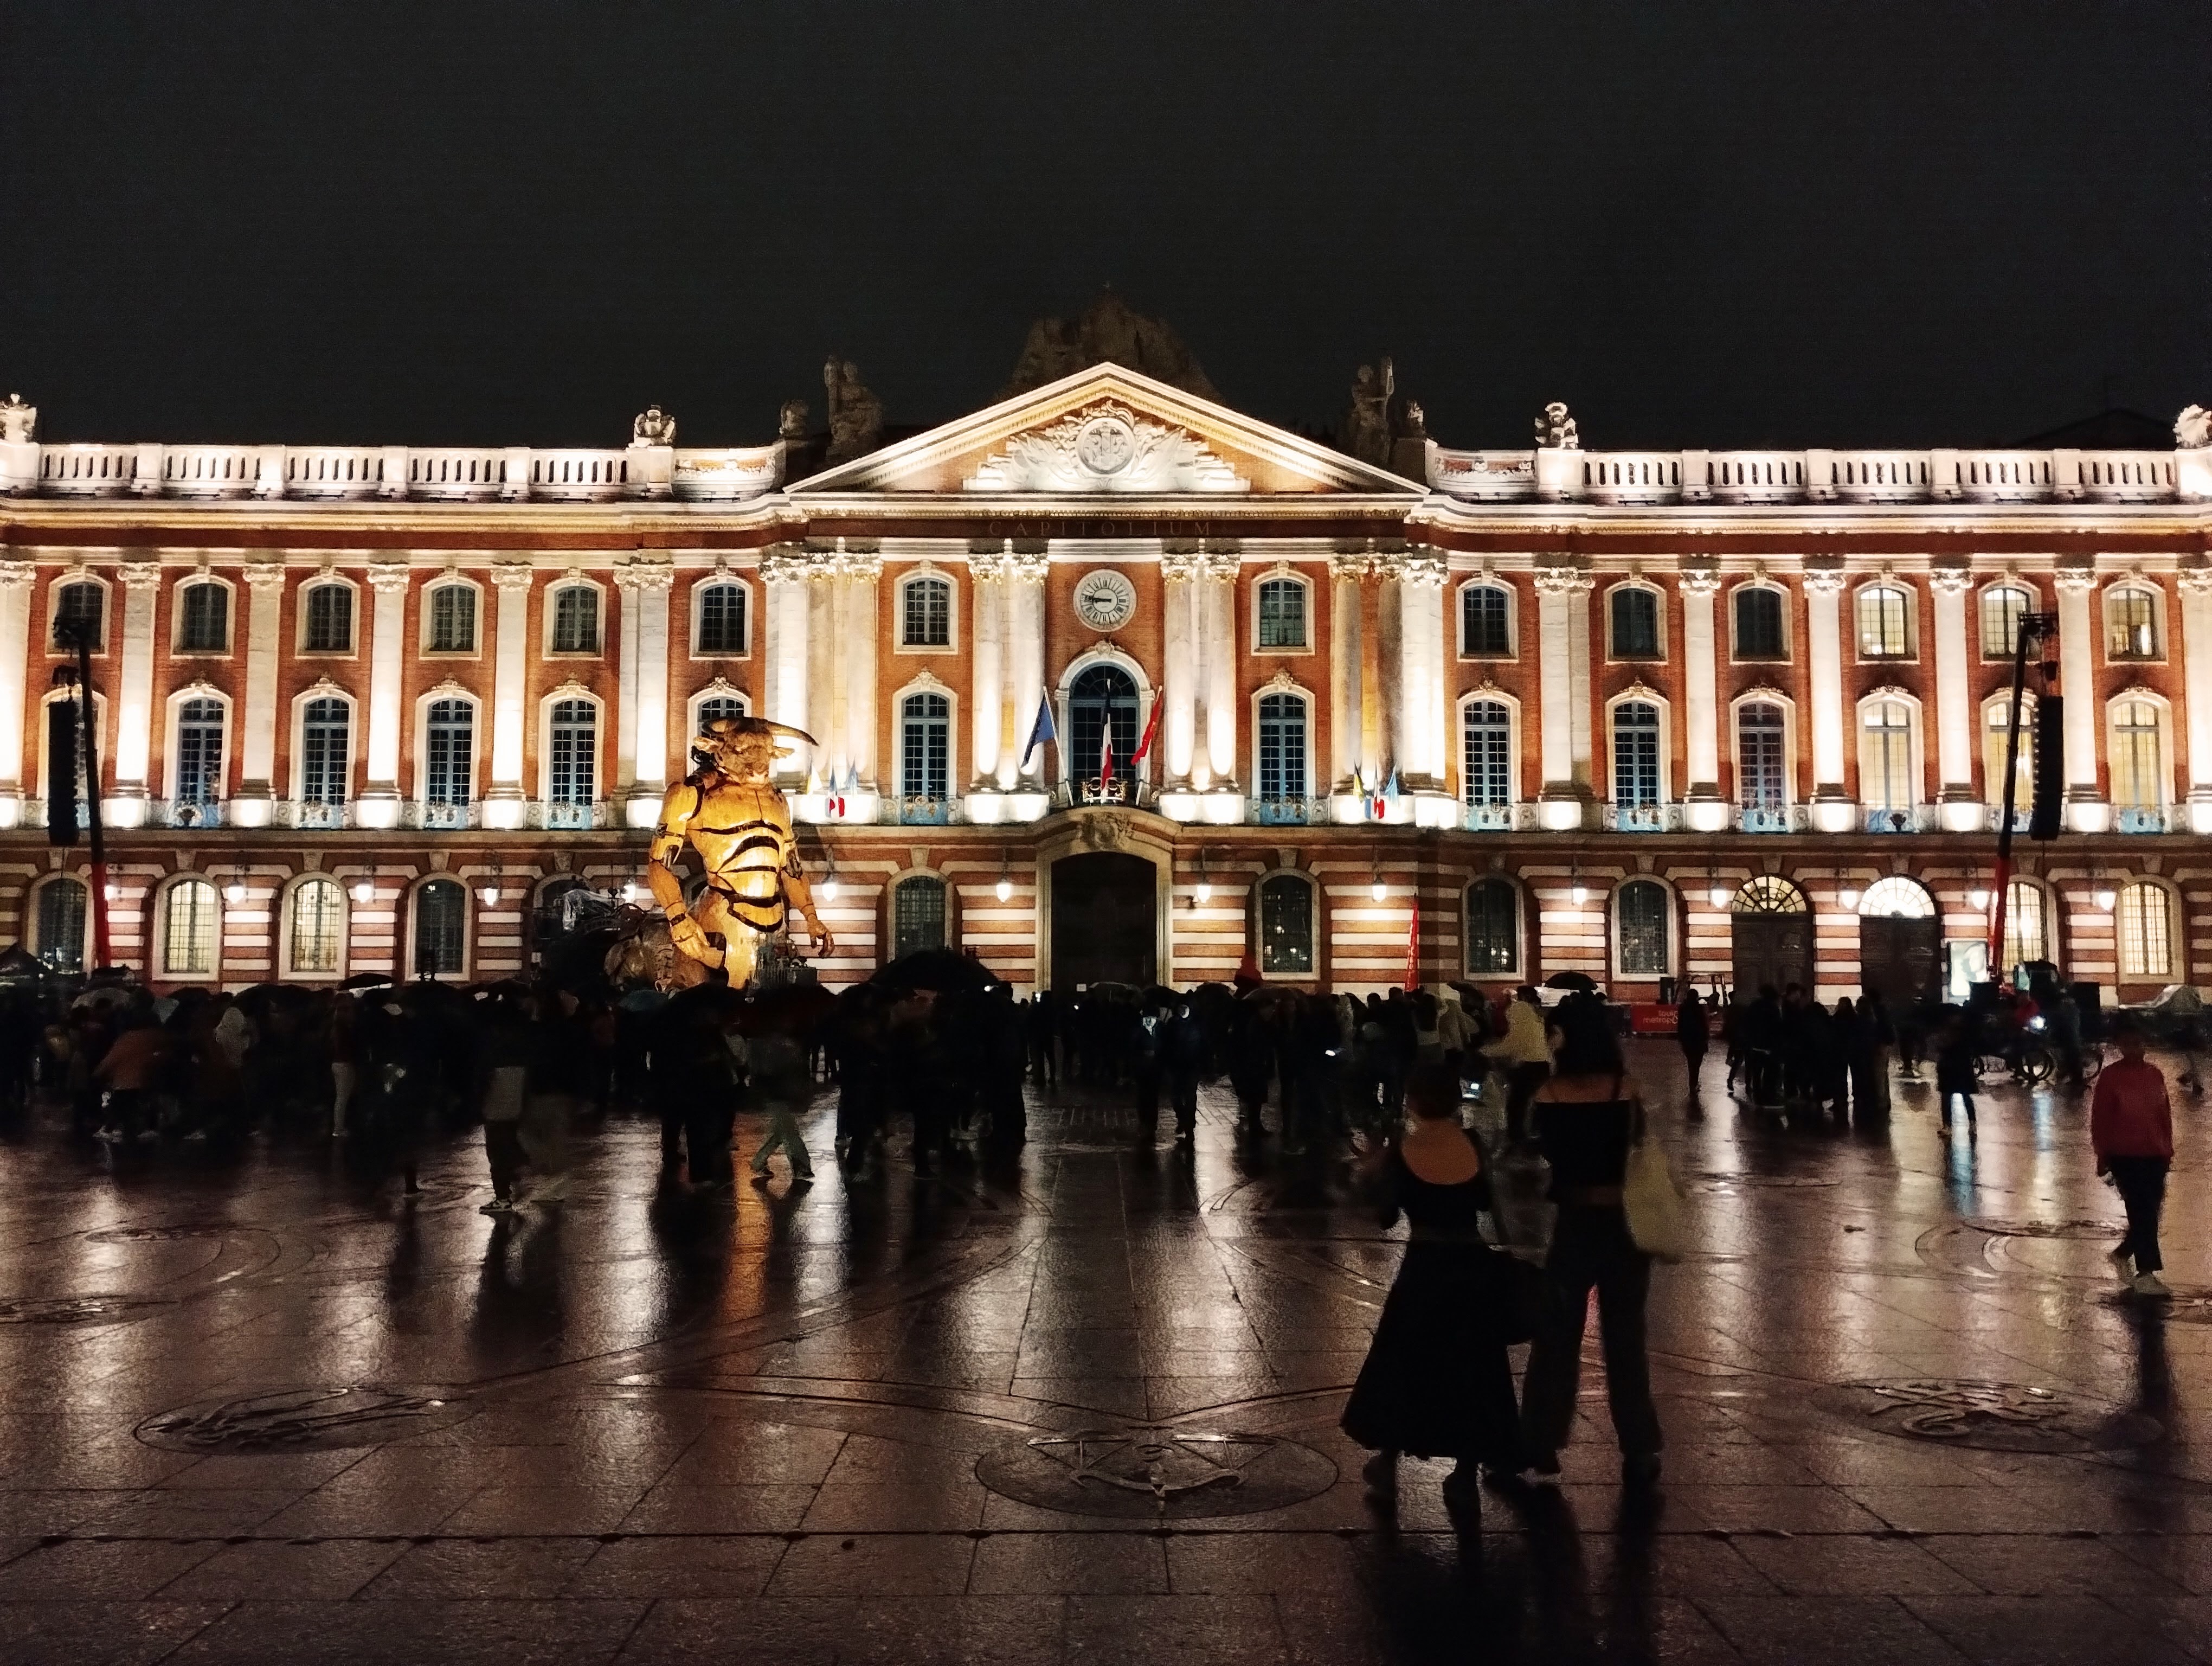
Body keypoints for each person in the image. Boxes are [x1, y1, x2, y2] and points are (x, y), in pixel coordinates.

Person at [1341, 1060, 1532, 1510]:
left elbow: (1385, 1217)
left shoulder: (1403, 1149)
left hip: (1424, 1266)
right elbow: (1486, 1201)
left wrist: (1373, 1164)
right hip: (1471, 1263)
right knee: (1473, 1366)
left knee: (1405, 1361)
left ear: (1413, 1100)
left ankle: (1388, 1462)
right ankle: (1465, 1471)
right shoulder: (1472, 1143)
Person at [1521, 995, 1663, 1489]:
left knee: (1557, 1335)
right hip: (1625, 1225)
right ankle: (1640, 1445)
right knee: (1627, 1338)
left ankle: (1540, 1440)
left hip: (1574, 1223)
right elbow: (1638, 1147)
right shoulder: (1628, 1090)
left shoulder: (1550, 1095)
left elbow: (1537, 1148)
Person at [2091, 1017, 2175, 1297]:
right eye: (2128, 1043)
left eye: (2138, 1042)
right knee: (2141, 1210)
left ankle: (2124, 1252)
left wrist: (2167, 1147)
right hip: (2124, 1155)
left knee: (2151, 1211)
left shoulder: (2154, 1074)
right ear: (2120, 1046)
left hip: (2155, 1153)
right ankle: (2146, 1272)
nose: (2135, 1047)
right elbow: (2100, 1119)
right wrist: (2102, 1155)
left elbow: (2164, 1114)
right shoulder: (2111, 1077)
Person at [1481, 985, 1551, 1150]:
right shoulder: (1534, 1021)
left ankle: (1517, 1137)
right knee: (1536, 1100)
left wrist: (1485, 1051)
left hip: (1530, 1067)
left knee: (1516, 1103)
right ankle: (1536, 1131)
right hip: (1542, 1065)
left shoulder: (1522, 1022)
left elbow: (1511, 1046)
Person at [1935, 1010, 1978, 1138]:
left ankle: (1967, 1124)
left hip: (1956, 1067)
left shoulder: (1959, 1034)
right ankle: (1951, 1125)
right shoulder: (1958, 1032)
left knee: (1957, 1097)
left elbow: (1945, 1047)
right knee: (1950, 1097)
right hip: (1953, 1068)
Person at [1674, 988, 1707, 1106]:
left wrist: (1681, 1038)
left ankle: (1692, 1084)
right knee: (1697, 1064)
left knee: (1690, 1062)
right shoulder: (1699, 1008)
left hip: (1687, 1040)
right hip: (1698, 1040)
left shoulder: (1683, 1008)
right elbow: (1704, 1025)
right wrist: (1705, 1040)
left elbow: (1680, 1024)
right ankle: (1694, 1083)